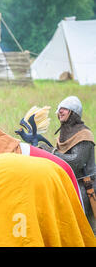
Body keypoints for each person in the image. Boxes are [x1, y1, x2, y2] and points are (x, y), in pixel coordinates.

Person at [39, 96, 95, 231]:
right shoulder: (65, 134)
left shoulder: (84, 135)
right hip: (70, 182)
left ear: (73, 113)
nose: (60, 112)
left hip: (86, 186)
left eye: (64, 109)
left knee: (87, 226)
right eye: (59, 109)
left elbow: (76, 162)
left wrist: (50, 152)